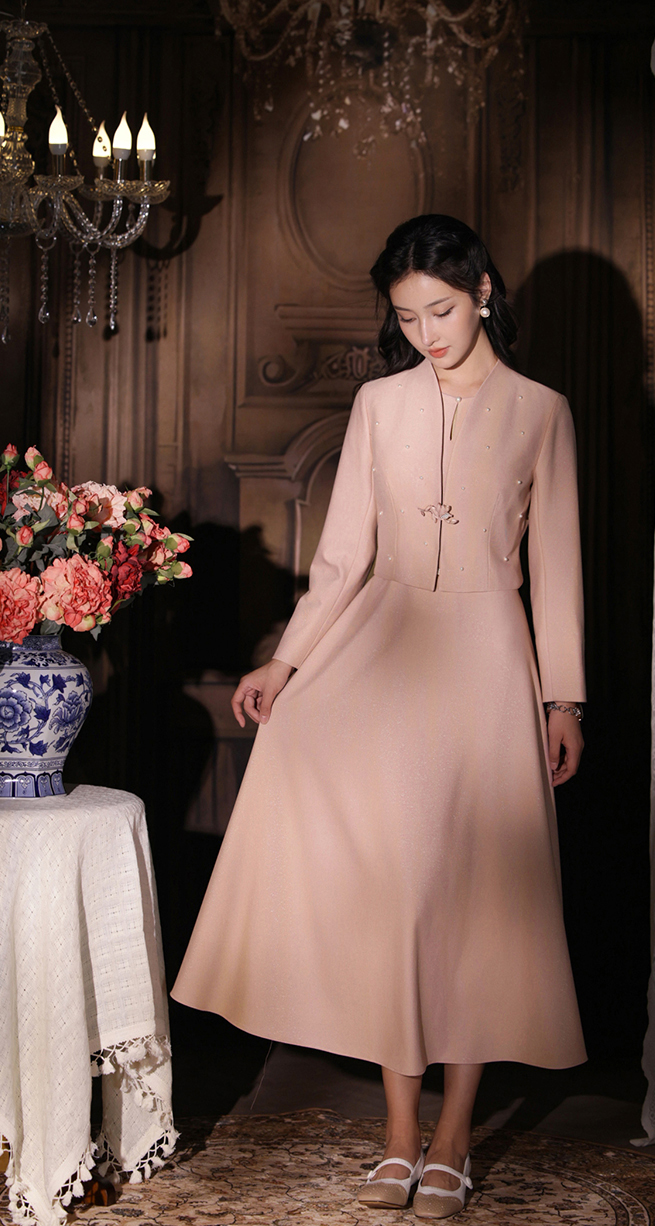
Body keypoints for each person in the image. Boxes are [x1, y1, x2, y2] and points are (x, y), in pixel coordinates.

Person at [172, 214, 587, 1218]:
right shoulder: (377, 402)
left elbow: (557, 565)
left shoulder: (542, 412)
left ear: (483, 291)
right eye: (406, 318)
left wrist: (563, 697)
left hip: (490, 661)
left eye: (439, 310)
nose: (425, 333)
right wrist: (286, 661)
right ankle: (401, 1135)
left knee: (474, 900)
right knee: (400, 896)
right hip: (384, 648)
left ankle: (455, 1136)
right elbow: (343, 556)